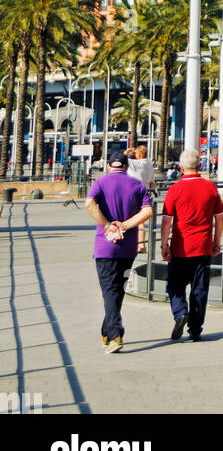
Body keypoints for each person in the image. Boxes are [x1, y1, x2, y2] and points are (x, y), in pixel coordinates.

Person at [84, 147, 153, 353]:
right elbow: (148, 210)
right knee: (117, 288)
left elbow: (89, 203)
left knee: (109, 290)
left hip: (105, 247)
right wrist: (126, 225)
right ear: (126, 166)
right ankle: (107, 330)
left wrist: (107, 225)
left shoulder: (100, 182)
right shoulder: (136, 185)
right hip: (128, 248)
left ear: (108, 166)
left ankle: (115, 335)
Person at [161, 149, 223, 342]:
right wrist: (216, 242)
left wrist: (164, 245)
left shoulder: (175, 189)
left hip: (180, 247)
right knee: (200, 289)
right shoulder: (210, 188)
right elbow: (219, 218)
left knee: (175, 285)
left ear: (181, 168)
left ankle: (180, 313)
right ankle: (195, 329)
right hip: (203, 247)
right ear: (199, 166)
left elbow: (166, 221)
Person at [127, 145, 156, 253]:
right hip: (145, 192)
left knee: (129, 217)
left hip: (132, 192)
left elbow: (122, 156)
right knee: (141, 220)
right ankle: (141, 244)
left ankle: (131, 243)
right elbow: (152, 182)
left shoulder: (135, 163)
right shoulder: (149, 164)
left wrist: (130, 150)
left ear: (139, 154)